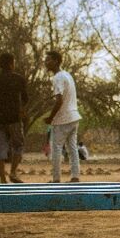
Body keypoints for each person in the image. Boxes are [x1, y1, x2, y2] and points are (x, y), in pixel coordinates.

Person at [0, 52, 28, 184]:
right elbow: (25, 99)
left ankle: (2, 179)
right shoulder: (19, 79)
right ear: (12, 64)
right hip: (14, 119)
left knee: (0, 149)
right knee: (18, 145)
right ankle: (13, 172)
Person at [44, 51, 82, 183]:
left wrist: (50, 118)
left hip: (63, 118)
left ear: (55, 61)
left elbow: (59, 100)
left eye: (48, 60)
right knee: (72, 148)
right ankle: (75, 176)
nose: (46, 62)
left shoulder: (57, 78)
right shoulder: (67, 75)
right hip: (74, 116)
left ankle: (56, 178)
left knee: (56, 149)